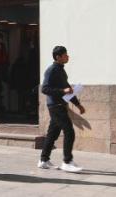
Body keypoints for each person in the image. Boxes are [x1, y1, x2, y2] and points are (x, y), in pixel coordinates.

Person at [38, 45, 85, 173]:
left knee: (52, 133)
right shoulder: (52, 70)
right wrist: (62, 90)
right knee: (69, 131)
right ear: (58, 57)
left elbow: (68, 89)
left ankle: (43, 160)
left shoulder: (61, 70)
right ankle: (67, 161)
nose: (67, 56)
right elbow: (45, 89)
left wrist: (78, 105)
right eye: (65, 54)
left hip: (60, 105)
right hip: (55, 106)